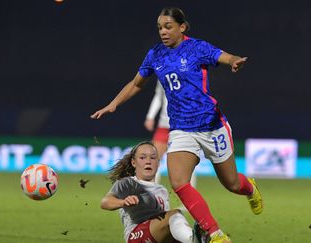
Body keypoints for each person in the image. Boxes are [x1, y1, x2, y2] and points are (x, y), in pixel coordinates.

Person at [92, 7, 263, 243]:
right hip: (182, 129)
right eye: (160, 27)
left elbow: (223, 56)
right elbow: (136, 83)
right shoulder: (155, 55)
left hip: (211, 125)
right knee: (179, 182)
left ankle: (250, 189)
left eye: (168, 26)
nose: (163, 31)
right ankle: (215, 234)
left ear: (182, 27)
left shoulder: (197, 48)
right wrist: (114, 104)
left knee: (232, 184)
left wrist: (234, 61)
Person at [100, 141, 200, 243]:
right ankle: (193, 240)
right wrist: (122, 202)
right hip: (136, 236)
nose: (148, 161)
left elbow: (164, 225)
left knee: (178, 227)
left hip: (154, 236)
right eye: (142, 158)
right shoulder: (127, 183)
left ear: (158, 163)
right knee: (175, 214)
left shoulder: (162, 191)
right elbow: (105, 202)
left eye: (152, 158)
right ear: (133, 162)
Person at [144, 81, 197, 188]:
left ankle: (187, 203)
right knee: (152, 158)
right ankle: (152, 196)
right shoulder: (161, 72)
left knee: (186, 163)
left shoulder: (187, 72)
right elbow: (159, 96)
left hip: (182, 125)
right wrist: (150, 116)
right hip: (164, 124)